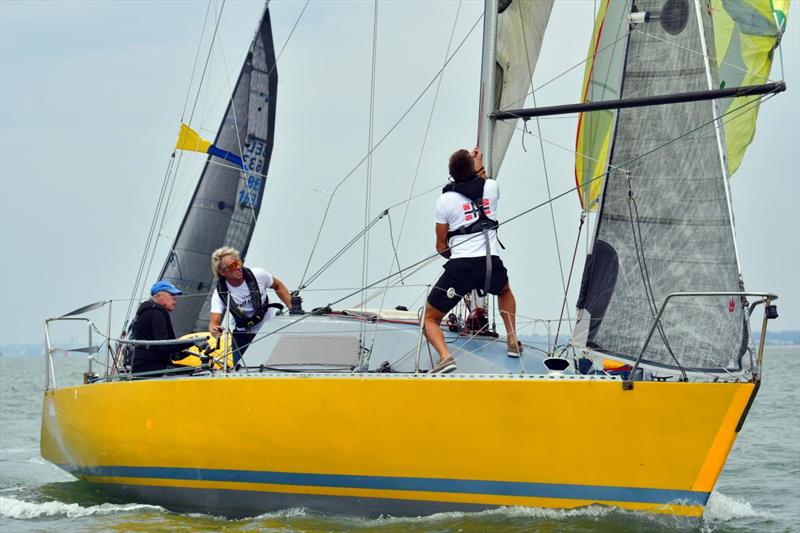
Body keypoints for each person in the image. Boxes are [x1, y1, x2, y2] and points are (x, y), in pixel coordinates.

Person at [423, 146, 521, 374]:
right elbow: (483, 181)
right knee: (504, 290)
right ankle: (513, 341)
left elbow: (440, 245)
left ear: (451, 175)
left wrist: (450, 251)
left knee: (430, 318)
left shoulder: (445, 200)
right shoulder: (491, 187)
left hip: (462, 268)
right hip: (490, 263)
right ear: (474, 169)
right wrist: (478, 161)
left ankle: (446, 357)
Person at [208, 246, 292, 364]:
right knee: (240, 371)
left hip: (268, 331)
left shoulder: (259, 275)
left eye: (238, 262)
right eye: (232, 266)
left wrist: (292, 309)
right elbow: (214, 323)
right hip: (242, 337)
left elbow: (278, 285)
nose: (238, 267)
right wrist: (214, 330)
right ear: (222, 272)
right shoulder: (220, 293)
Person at [130, 280, 184, 376]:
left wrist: (182, 351)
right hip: (151, 367)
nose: (175, 299)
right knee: (197, 371)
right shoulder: (156, 313)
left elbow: (161, 346)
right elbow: (164, 346)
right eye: (172, 295)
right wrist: (192, 342)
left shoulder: (148, 311)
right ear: (159, 297)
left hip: (143, 366)